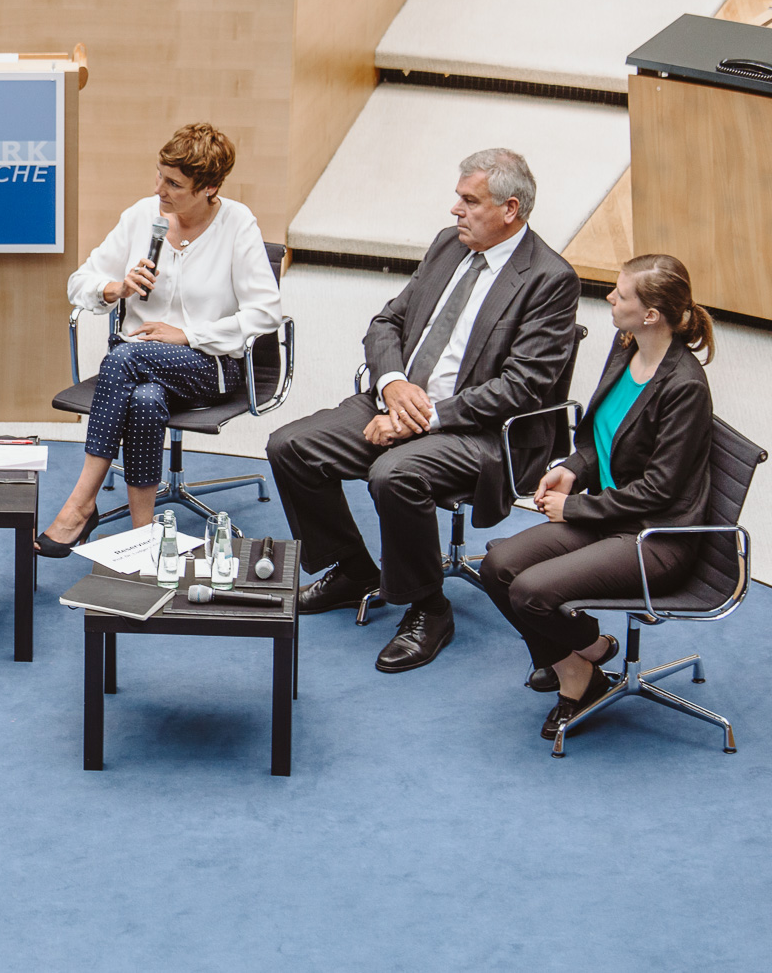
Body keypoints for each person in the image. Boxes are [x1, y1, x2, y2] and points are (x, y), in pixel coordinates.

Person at [265, 148, 580, 672]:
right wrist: (391, 385)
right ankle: (354, 571)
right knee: (290, 446)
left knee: (395, 474)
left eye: (469, 200)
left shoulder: (549, 278)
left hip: (481, 431)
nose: (455, 209)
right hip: (397, 400)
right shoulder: (448, 246)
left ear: (511, 208)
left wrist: (422, 416)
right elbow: (387, 322)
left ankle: (428, 608)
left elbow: (522, 387)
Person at [479, 255, 715, 740]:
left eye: (621, 293)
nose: (609, 297)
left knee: (532, 592)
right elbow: (599, 437)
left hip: (655, 538)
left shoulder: (685, 386)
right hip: (610, 515)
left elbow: (659, 490)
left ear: (650, 314)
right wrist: (572, 468)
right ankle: (579, 661)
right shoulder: (626, 343)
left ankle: (585, 667)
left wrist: (575, 507)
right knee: (497, 566)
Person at [37, 123, 282, 555]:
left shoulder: (237, 223)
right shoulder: (141, 217)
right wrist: (115, 288)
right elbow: (79, 283)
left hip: (208, 366)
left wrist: (188, 335)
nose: (160, 190)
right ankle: (142, 537)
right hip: (135, 368)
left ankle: (80, 504)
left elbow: (266, 312)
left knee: (125, 360)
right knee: (145, 398)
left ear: (209, 188)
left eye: (174, 184)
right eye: (159, 176)